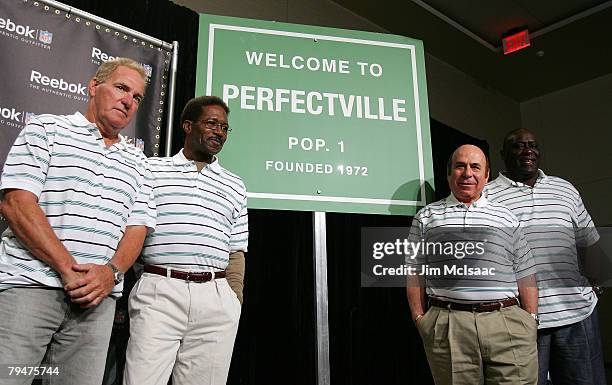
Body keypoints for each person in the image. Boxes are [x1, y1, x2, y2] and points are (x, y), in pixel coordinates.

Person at [0, 58, 156, 385]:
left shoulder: (139, 161)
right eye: (121, 88)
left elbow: (137, 228)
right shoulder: (46, 130)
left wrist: (110, 272)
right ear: (94, 86)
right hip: (30, 288)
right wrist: (67, 267)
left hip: (96, 304)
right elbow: (16, 204)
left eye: (137, 97)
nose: (129, 101)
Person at [123, 96, 248, 385]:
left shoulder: (235, 184)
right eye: (212, 123)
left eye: (225, 128)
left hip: (216, 297)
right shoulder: (151, 170)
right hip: (160, 291)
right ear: (188, 126)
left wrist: (233, 298)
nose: (219, 132)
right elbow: (132, 228)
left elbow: (237, 249)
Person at [407, 144, 539, 385]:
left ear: (486, 175)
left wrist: (531, 318)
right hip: (449, 326)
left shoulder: (506, 216)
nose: (468, 173)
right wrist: (420, 318)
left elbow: (525, 270)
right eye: (460, 166)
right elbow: (414, 272)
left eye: (475, 167)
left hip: (508, 324)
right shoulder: (427, 217)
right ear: (449, 174)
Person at [486, 128, 606, 385]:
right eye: (518, 146)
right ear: (503, 154)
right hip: (523, 319)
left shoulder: (565, 189)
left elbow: (588, 239)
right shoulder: (488, 196)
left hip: (577, 313)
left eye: (532, 145)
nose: (527, 151)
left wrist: (597, 280)